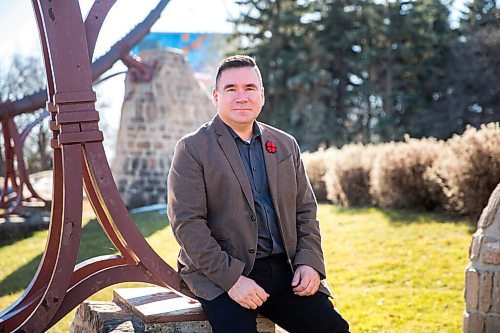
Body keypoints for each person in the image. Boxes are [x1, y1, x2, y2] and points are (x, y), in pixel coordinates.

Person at [167, 55, 350, 333]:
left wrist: (309, 262)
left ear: (261, 95)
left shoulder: (285, 144)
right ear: (216, 96)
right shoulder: (193, 148)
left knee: (334, 329)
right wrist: (232, 279)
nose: (242, 96)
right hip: (220, 272)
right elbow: (187, 224)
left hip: (284, 270)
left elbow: (305, 212)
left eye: (249, 88)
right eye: (231, 89)